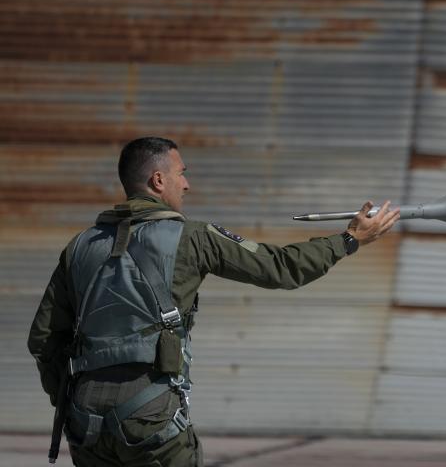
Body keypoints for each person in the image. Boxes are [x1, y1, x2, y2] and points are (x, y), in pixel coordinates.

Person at [27, 136, 400, 466]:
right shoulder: (193, 237)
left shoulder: (79, 246)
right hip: (150, 417)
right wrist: (349, 240)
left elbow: (44, 339)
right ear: (158, 181)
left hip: (84, 422)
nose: (186, 184)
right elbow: (280, 268)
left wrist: (75, 403)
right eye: (181, 173)